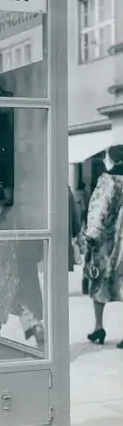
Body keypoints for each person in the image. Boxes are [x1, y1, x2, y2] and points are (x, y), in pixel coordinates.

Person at [83, 145, 123, 349]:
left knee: (98, 280)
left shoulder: (109, 179)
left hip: (108, 241)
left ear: (111, 159)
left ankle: (98, 326)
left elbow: (101, 208)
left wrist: (91, 234)